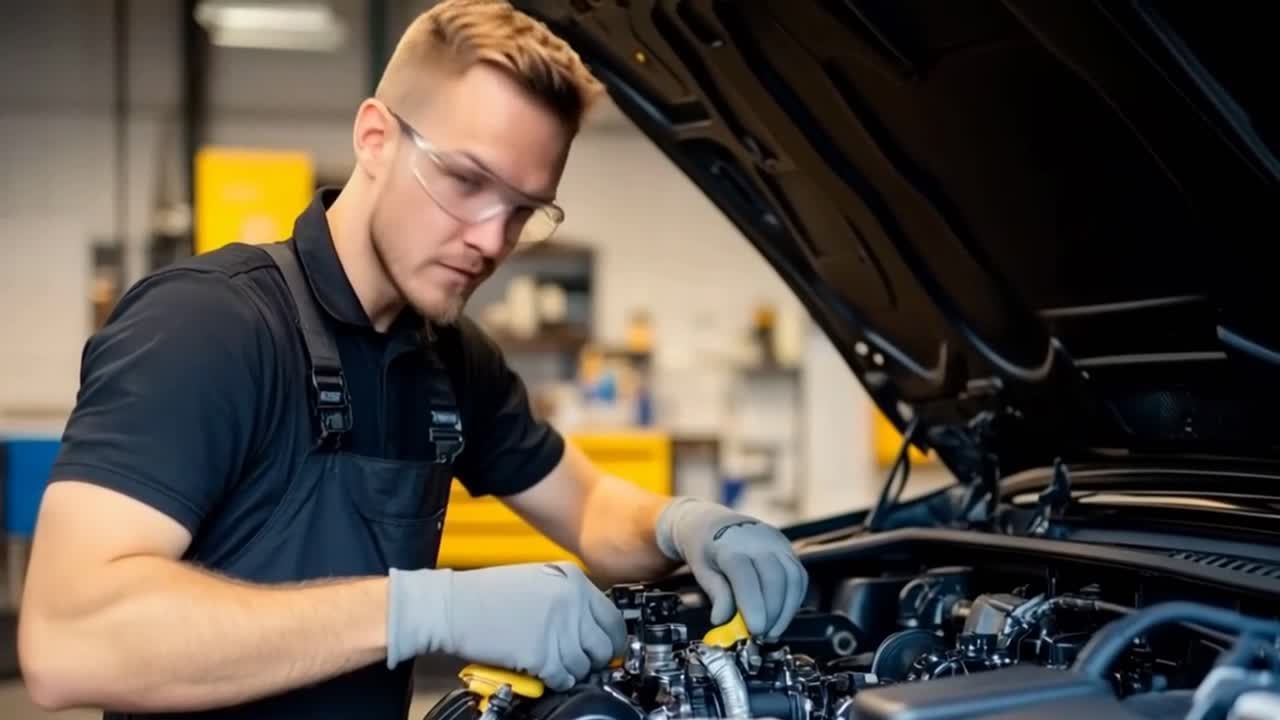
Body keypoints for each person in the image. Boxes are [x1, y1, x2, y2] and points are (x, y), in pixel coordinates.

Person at [16, 1, 808, 718]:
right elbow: (68, 642)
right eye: (466, 181)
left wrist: (685, 525)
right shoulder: (209, 325)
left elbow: (590, 507)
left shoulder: (452, 360)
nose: (492, 241)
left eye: (524, 210)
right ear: (375, 138)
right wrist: (425, 612)